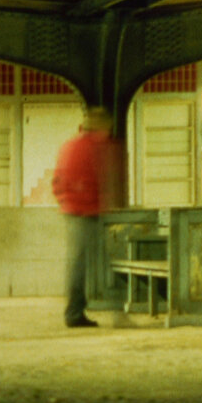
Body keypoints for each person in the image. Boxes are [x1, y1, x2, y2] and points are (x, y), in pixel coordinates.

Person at [52, 106, 124, 328]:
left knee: (78, 263)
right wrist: (100, 203)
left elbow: (57, 180)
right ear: (102, 126)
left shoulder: (70, 145)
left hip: (73, 211)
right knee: (84, 264)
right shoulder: (96, 147)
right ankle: (75, 313)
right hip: (87, 212)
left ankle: (77, 310)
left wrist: (64, 200)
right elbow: (101, 180)